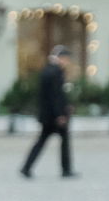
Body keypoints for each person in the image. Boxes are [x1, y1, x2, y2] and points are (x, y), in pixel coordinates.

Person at [21, 45, 77, 178]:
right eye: (66, 59)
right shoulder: (55, 72)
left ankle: (27, 167)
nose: (67, 62)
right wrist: (60, 114)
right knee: (59, 141)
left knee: (42, 141)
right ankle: (66, 169)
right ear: (61, 58)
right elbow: (55, 96)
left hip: (48, 115)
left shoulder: (47, 70)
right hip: (54, 116)